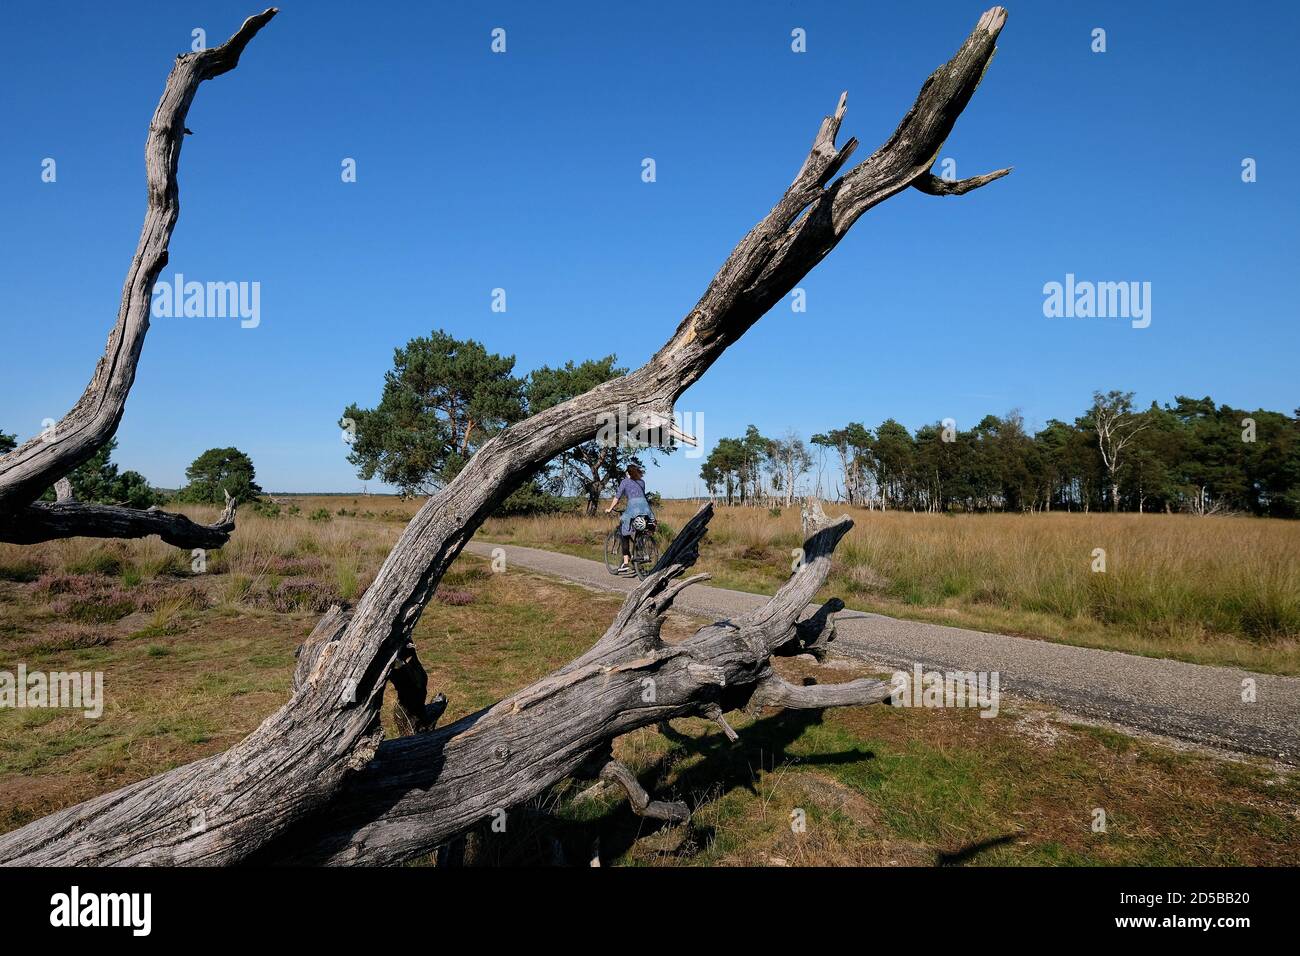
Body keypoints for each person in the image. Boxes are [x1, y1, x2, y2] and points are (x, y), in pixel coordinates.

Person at [605, 462, 654, 574]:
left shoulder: (625, 482)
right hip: (646, 509)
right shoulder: (642, 482)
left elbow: (617, 497)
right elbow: (640, 495)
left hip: (632, 508)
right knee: (640, 529)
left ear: (627, 473)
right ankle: (640, 550)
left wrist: (610, 508)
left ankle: (626, 563)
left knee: (624, 533)